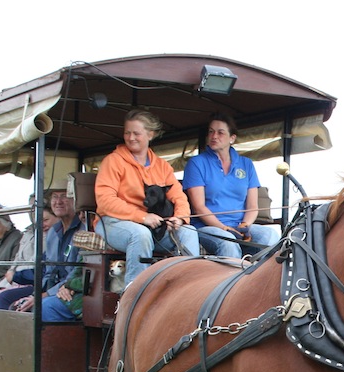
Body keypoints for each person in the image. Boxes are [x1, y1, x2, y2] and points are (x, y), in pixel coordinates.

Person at [95, 108, 197, 288]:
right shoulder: (113, 161)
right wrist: (142, 217)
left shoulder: (162, 166)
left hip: (154, 226)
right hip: (113, 223)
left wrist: (180, 217)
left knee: (188, 232)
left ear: (150, 134)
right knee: (139, 234)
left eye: (136, 133)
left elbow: (178, 196)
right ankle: (134, 295)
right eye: (127, 133)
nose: (131, 137)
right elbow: (105, 200)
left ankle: (189, 289)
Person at [182, 113, 278, 258]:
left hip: (239, 225)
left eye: (220, 132)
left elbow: (253, 206)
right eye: (211, 132)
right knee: (228, 242)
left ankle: (262, 278)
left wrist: (245, 225)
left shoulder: (246, 164)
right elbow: (199, 207)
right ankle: (235, 280)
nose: (214, 136)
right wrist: (224, 228)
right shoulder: (196, 163)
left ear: (232, 138)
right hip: (208, 227)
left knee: (270, 235)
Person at [1, 183, 87, 312]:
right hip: (53, 288)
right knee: (14, 304)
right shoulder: (53, 232)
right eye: (54, 197)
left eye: (64, 196)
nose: (58, 202)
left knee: (41, 308)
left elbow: (78, 271)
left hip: (71, 289)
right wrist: (35, 295)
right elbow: (48, 271)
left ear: (76, 200)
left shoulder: (84, 229)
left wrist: (44, 296)